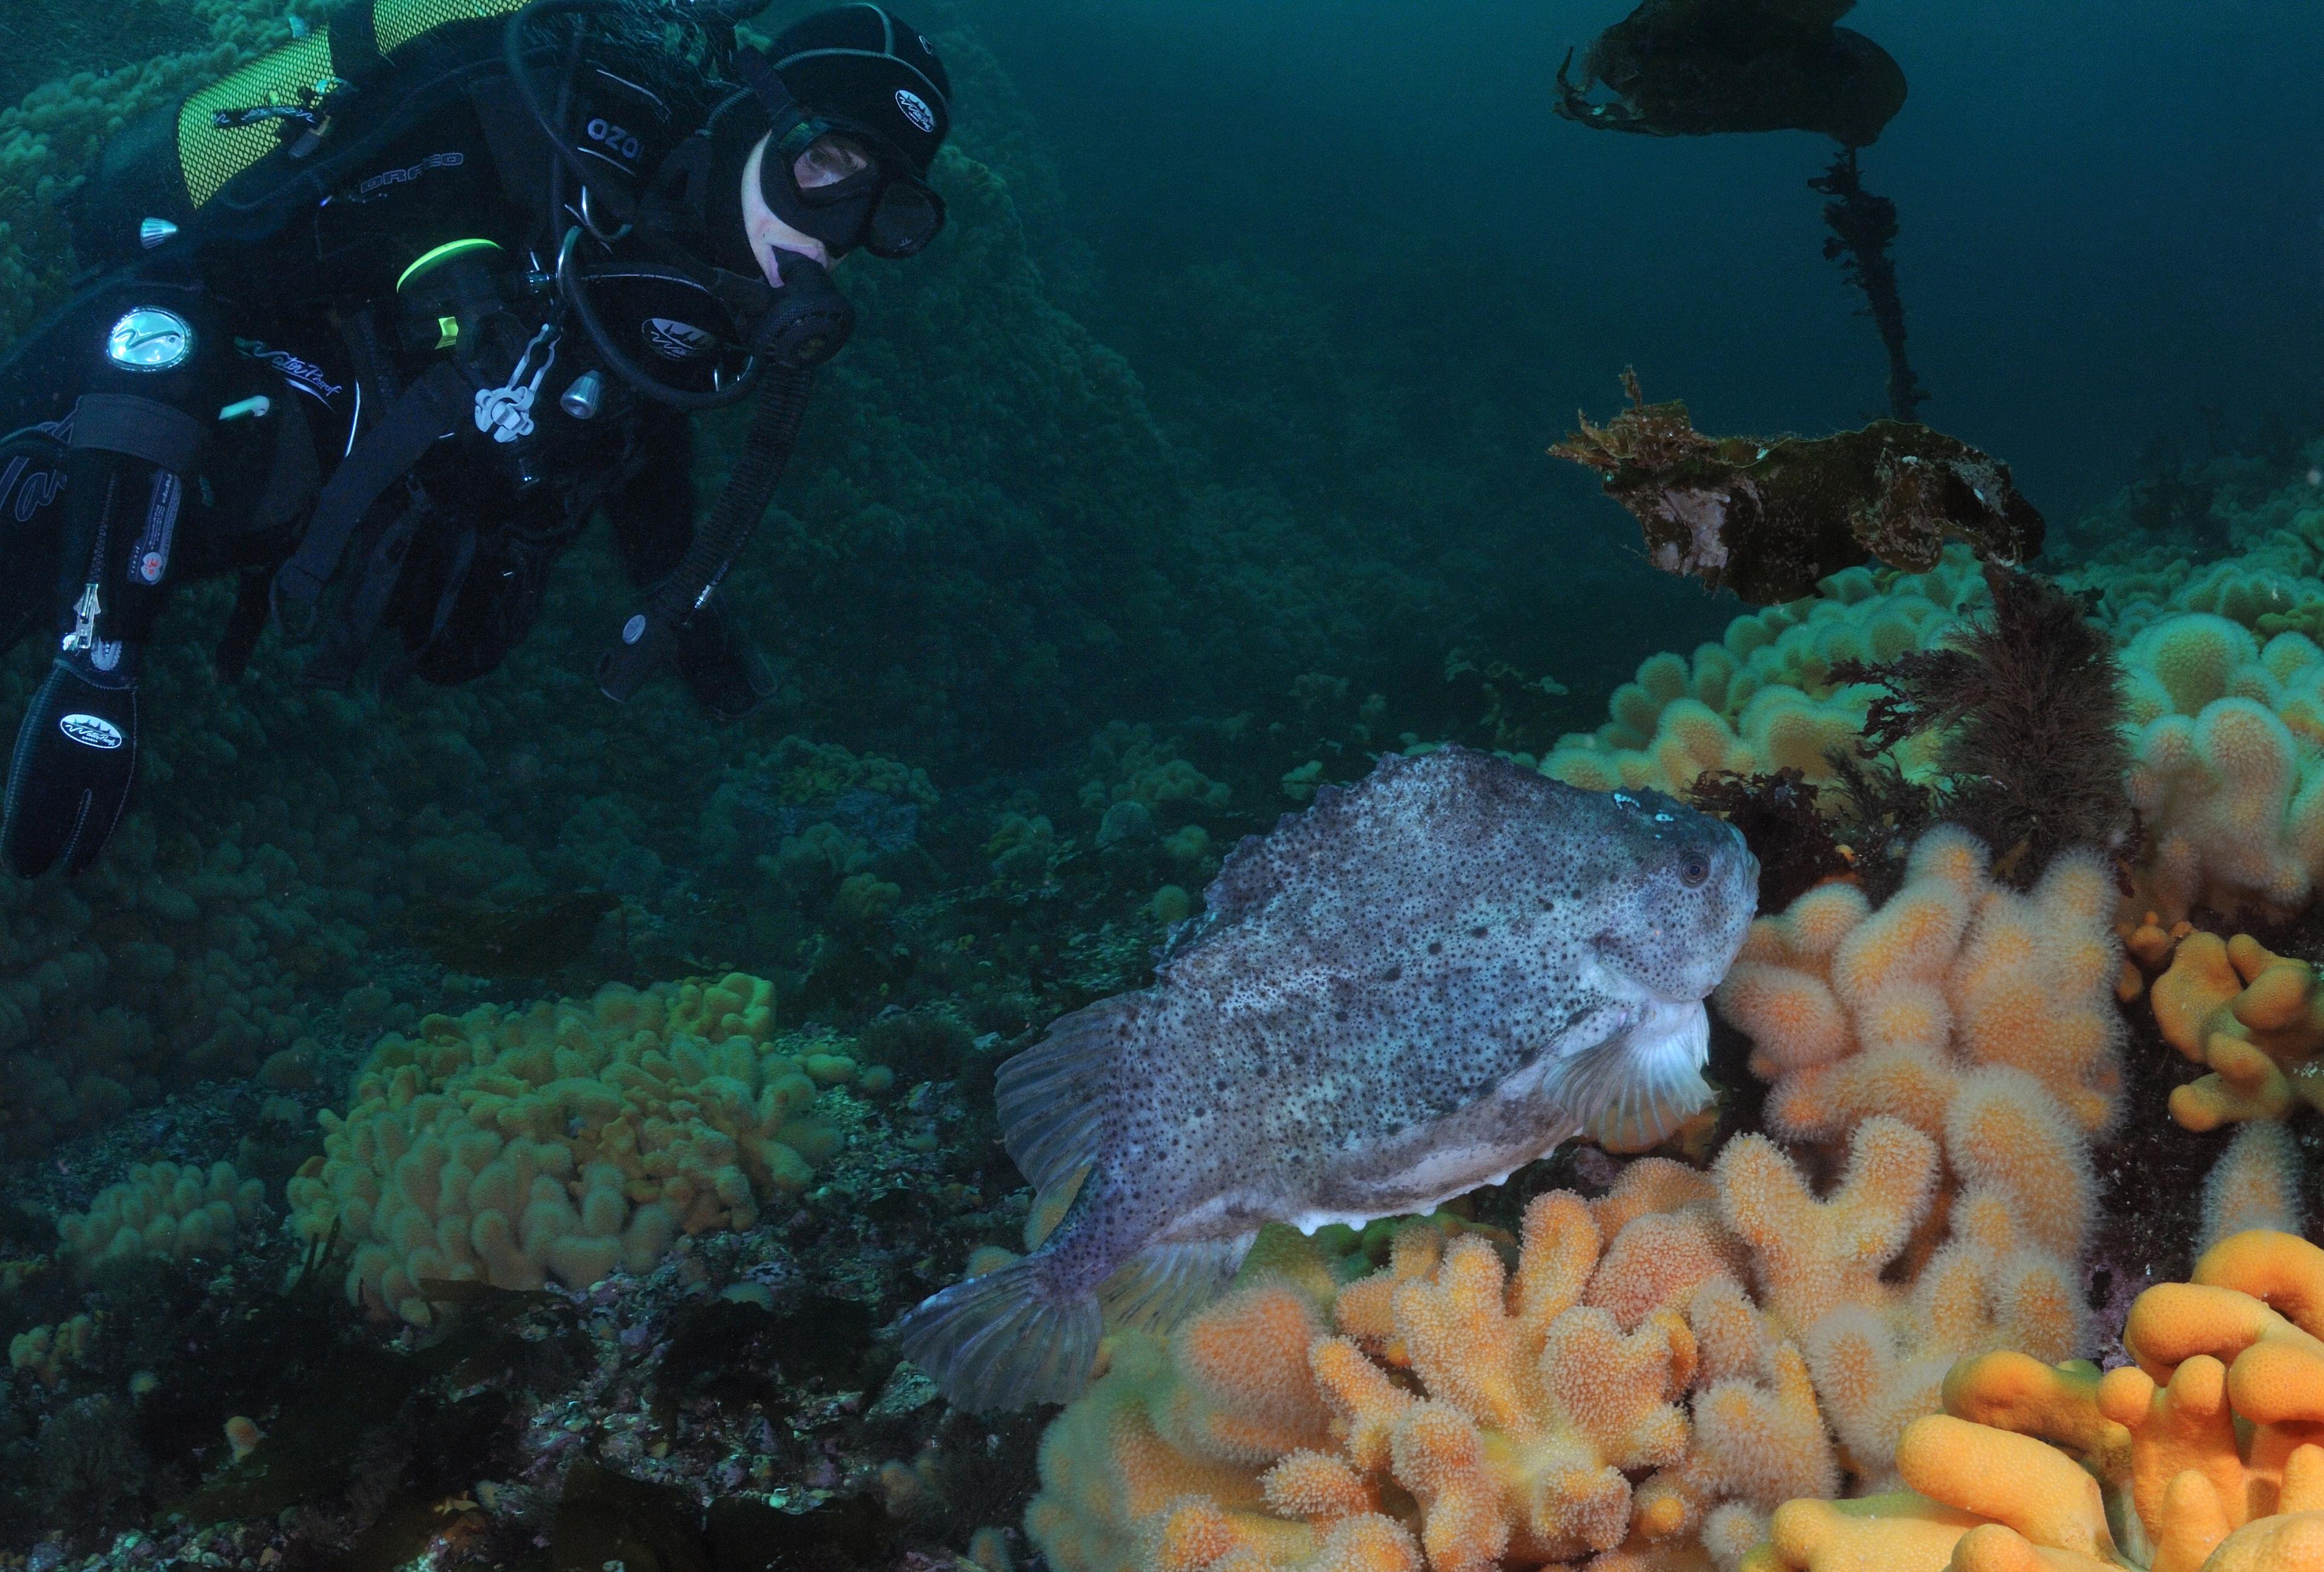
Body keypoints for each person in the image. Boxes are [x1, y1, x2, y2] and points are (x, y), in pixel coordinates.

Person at [0, 0, 953, 877]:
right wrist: (102, 669)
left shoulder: (709, 280)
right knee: (248, 462)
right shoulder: (539, 120)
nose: (834, 233)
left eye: (885, 212)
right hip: (213, 411)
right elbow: (192, 288)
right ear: (756, 116)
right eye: (825, 166)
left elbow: (648, 434)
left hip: (351, 503)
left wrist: (686, 608)